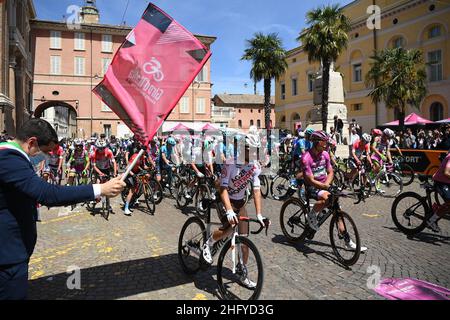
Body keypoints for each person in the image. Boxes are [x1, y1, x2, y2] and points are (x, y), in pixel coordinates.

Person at [0, 119, 125, 300]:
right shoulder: (8, 158)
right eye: (46, 151)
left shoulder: (10, 154)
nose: (48, 155)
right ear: (32, 142)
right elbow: (47, 193)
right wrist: (100, 189)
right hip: (8, 256)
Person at [201, 133, 269, 289]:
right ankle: (208, 243)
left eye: (256, 150)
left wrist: (259, 214)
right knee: (230, 226)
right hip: (225, 199)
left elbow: (257, 190)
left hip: (240, 201)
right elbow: (223, 189)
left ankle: (242, 272)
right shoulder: (230, 164)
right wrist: (230, 211)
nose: (254, 153)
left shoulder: (255, 166)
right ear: (242, 149)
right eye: (251, 149)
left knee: (244, 240)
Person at [302, 130, 367, 252]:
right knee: (328, 198)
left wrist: (326, 185)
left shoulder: (325, 155)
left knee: (337, 209)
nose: (326, 144)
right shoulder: (307, 158)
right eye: (324, 142)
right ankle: (311, 214)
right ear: (317, 142)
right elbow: (310, 180)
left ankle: (347, 241)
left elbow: (330, 172)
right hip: (312, 187)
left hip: (324, 185)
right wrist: (324, 187)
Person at [428, 152, 450, 233]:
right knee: (449, 202)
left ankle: (436, 208)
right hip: (440, 181)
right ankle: (432, 220)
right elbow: (446, 172)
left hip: (447, 182)